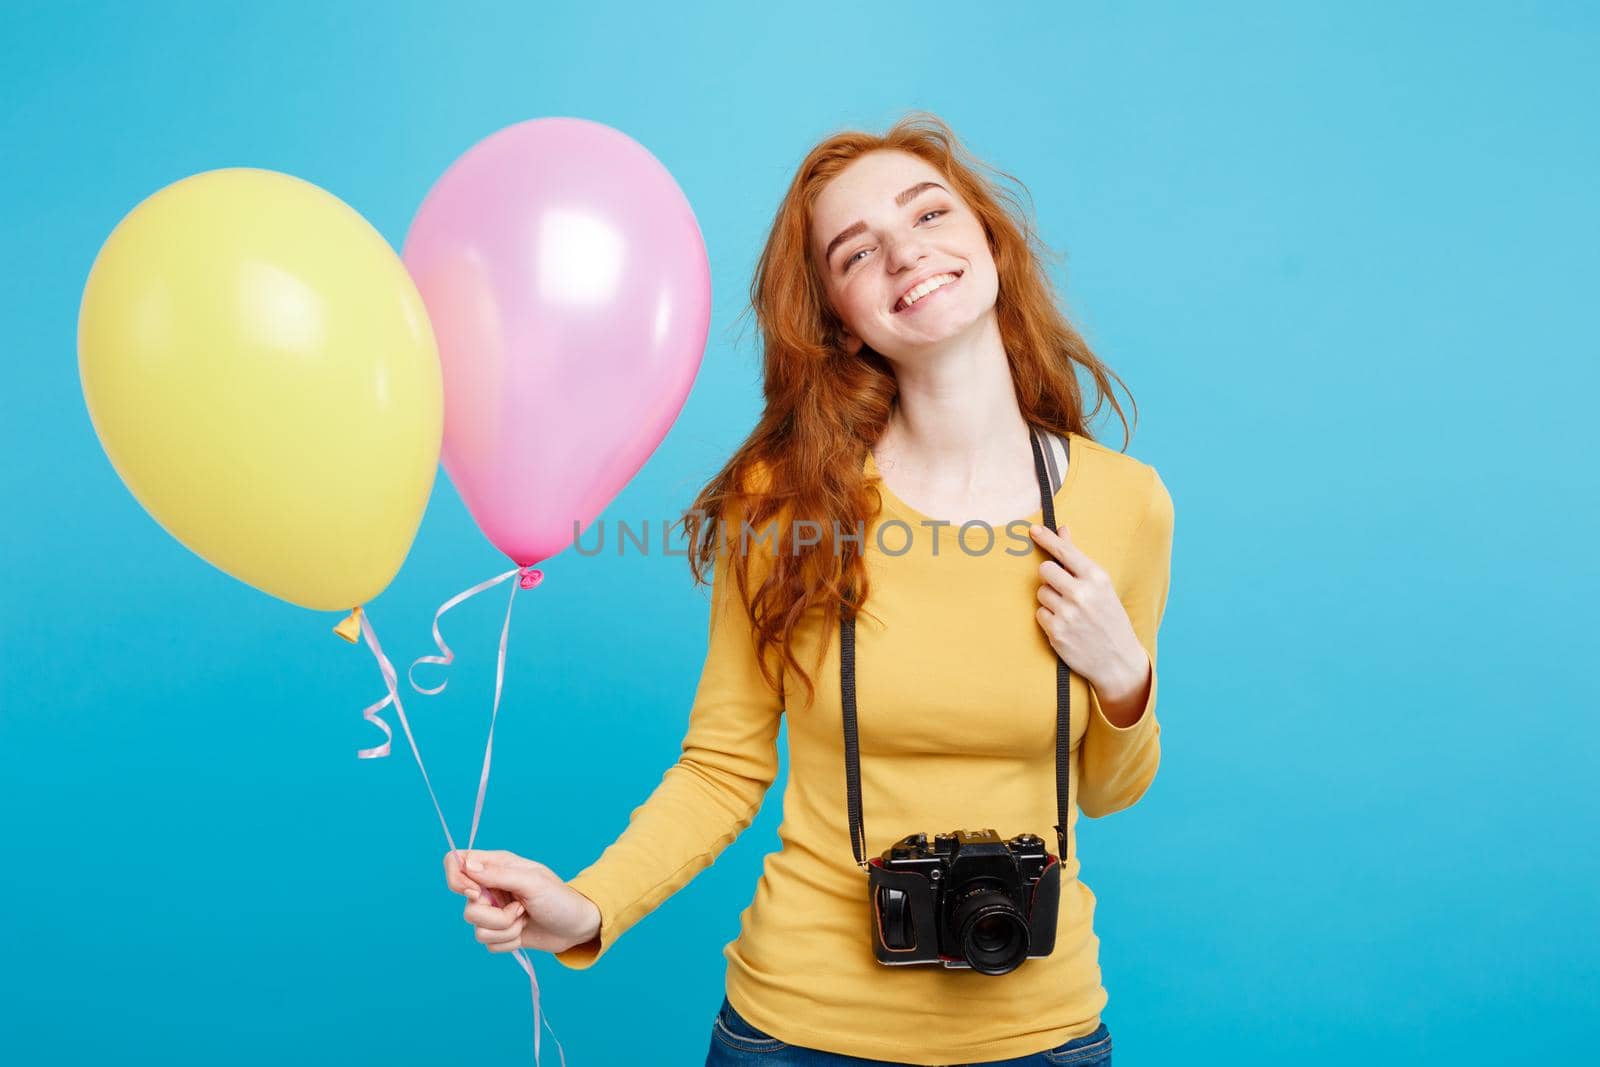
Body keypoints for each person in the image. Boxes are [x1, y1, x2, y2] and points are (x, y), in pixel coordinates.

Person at [441, 111, 1173, 1066]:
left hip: (1040, 1034)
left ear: (989, 239)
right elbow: (722, 768)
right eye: (858, 252)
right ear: (839, 317)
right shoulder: (782, 507)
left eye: (929, 215)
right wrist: (587, 904)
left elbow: (1108, 791)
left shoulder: (1123, 503)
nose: (908, 255)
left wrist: (1124, 678)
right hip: (797, 1033)